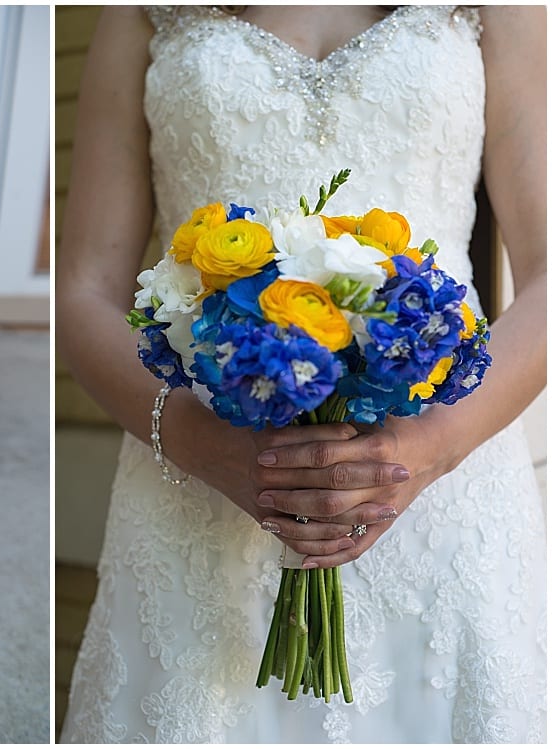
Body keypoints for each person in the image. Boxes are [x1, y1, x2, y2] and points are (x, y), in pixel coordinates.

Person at [57, 5, 546, 743]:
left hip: (444, 496)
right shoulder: (143, 10)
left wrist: (427, 450)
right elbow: (84, 291)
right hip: (199, 482)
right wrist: (197, 442)